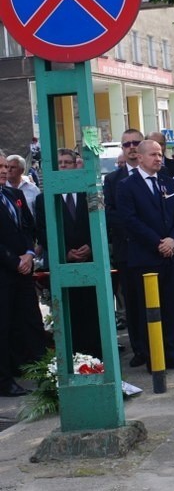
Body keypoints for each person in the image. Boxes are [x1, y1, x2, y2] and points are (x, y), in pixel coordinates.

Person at [117, 140, 174, 371]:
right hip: (145, 256)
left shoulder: (168, 182)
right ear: (140, 158)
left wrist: (173, 240)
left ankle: (173, 354)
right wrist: (157, 242)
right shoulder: (127, 186)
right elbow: (129, 220)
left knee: (171, 308)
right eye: (153, 155)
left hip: (170, 256)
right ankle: (153, 358)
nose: (159, 158)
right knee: (149, 309)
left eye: (160, 154)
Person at [36, 149, 103, 359]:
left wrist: (92, 246)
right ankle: (74, 355)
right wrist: (65, 253)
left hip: (91, 261)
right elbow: (42, 231)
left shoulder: (92, 192)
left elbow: (103, 222)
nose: (63, 166)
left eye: (67, 162)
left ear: (76, 166)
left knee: (93, 311)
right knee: (68, 312)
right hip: (63, 264)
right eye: (59, 163)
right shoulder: (43, 199)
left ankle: (97, 354)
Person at [0, 151, 45, 397]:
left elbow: (28, 227)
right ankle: (5, 379)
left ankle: (41, 369)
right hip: (5, 272)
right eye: (0, 166)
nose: (4, 170)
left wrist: (28, 253)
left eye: (6, 166)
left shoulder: (13, 195)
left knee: (31, 321)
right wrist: (13, 260)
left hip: (24, 269)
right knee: (5, 326)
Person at [103, 129, 147, 362]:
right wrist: (137, 227)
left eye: (135, 143)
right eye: (126, 143)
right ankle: (139, 349)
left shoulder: (159, 174)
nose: (131, 147)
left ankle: (163, 348)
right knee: (132, 302)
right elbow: (110, 214)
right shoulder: (112, 180)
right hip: (127, 250)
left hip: (153, 249)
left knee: (157, 302)